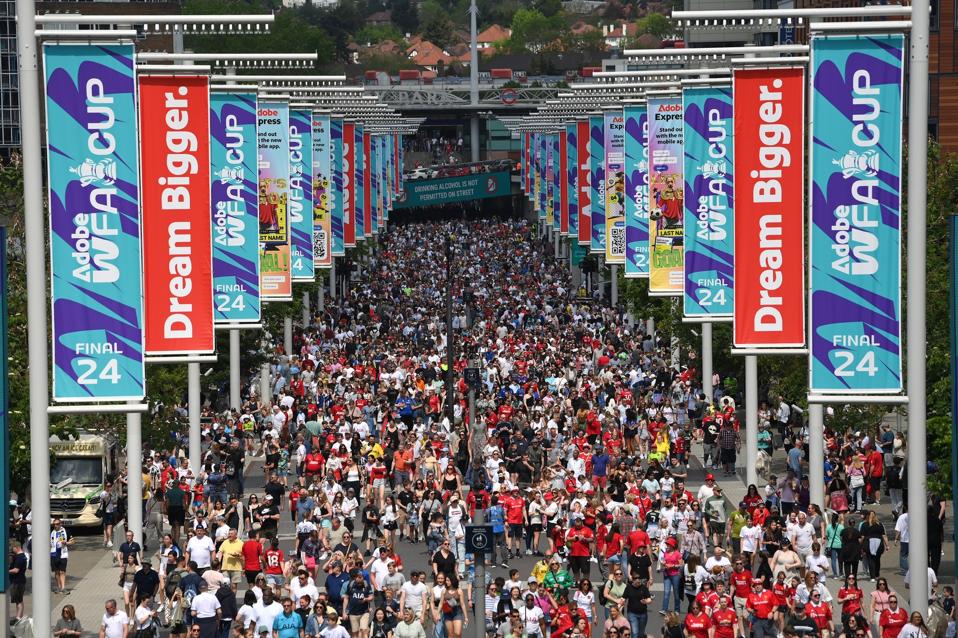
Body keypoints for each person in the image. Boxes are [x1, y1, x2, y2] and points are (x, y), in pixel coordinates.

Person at [51, 517, 75, 594]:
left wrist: (66, 543)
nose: (55, 526)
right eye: (54, 524)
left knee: (62, 571)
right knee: (56, 572)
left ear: (60, 524)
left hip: (63, 554)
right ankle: (59, 587)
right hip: (54, 554)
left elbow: (73, 541)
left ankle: (63, 587)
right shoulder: (51, 532)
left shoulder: (66, 531)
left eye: (57, 524)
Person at [8, 540, 28, 621]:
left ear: (17, 547)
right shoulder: (22, 556)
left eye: (13, 548)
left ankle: (18, 617)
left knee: (18, 601)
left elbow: (16, 570)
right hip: (20, 581)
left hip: (17, 582)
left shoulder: (20, 557)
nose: (12, 550)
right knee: (19, 600)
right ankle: (19, 616)